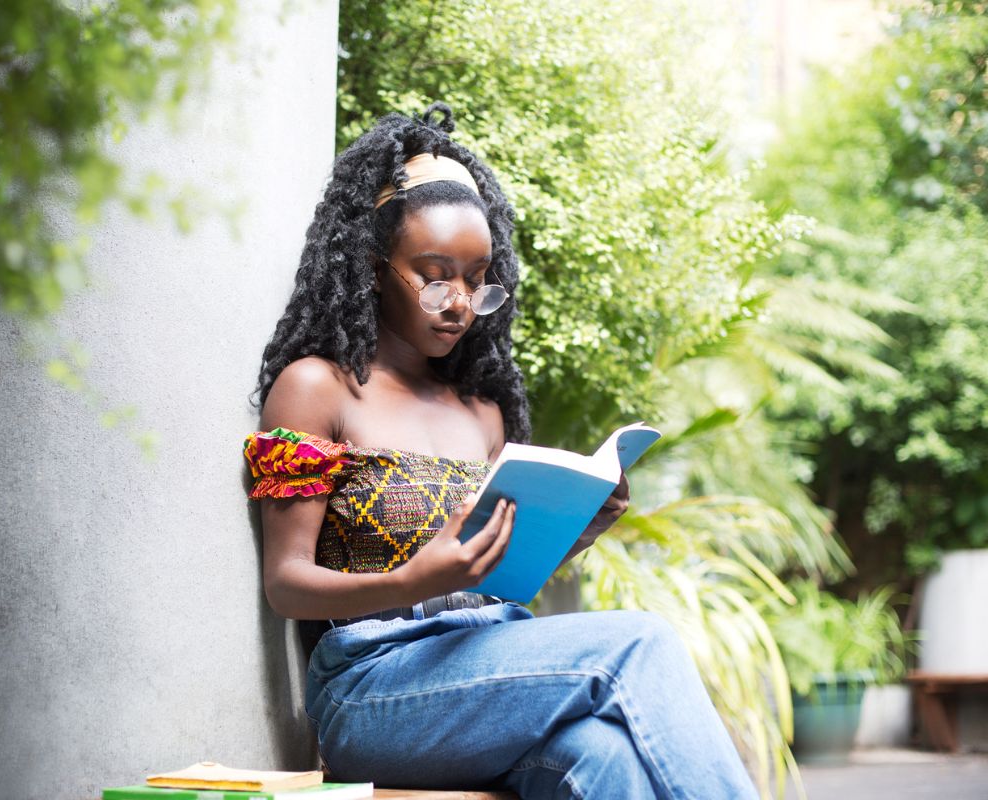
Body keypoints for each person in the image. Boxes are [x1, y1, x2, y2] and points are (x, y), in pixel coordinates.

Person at [243, 103, 758, 800]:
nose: (459, 301)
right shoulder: (318, 389)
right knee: (640, 642)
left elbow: (494, 574)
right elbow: (285, 582)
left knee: (603, 757)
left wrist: (574, 533)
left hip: (490, 662)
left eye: (477, 278)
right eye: (434, 275)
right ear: (372, 266)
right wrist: (410, 582)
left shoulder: (482, 411)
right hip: (375, 688)